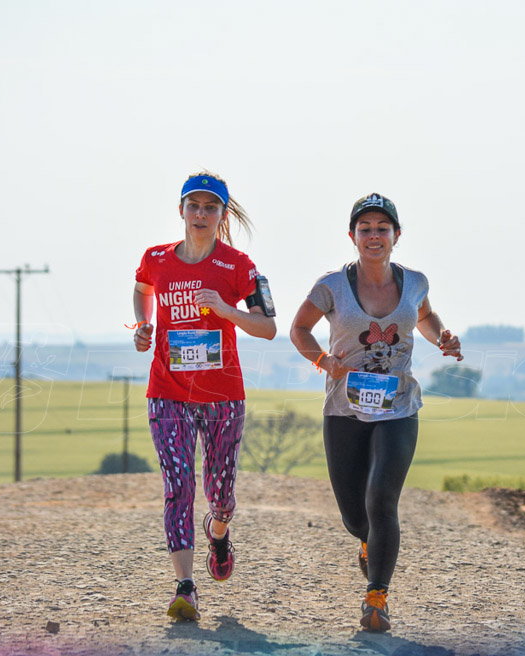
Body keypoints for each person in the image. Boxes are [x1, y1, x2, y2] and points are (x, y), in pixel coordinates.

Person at [289, 192, 462, 632]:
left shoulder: (416, 281)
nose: (373, 236)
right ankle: (367, 543)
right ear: (352, 236)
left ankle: (376, 598)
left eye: (382, 229)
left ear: (396, 236)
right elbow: (299, 329)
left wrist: (442, 336)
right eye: (365, 229)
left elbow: (424, 315)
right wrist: (324, 361)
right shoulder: (332, 285)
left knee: (382, 499)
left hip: (397, 406)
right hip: (344, 409)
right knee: (354, 516)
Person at [132, 172, 277, 621]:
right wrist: (142, 325)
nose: (200, 214)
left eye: (210, 207)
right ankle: (186, 587)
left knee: (221, 493)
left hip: (222, 397)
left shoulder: (239, 266)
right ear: (180, 210)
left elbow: (268, 327)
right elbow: (142, 291)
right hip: (167, 393)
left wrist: (225, 309)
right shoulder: (156, 258)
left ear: (222, 214)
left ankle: (218, 531)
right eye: (192, 205)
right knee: (178, 485)